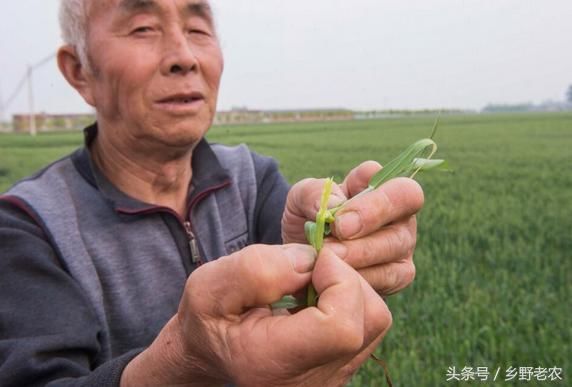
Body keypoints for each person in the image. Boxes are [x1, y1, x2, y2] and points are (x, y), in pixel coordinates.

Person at [0, 0, 424, 385]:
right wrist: (183, 365)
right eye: (143, 28)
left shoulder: (254, 178)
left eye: (198, 29)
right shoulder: (30, 226)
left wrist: (340, 246)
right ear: (79, 70)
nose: (184, 57)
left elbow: (307, 296)